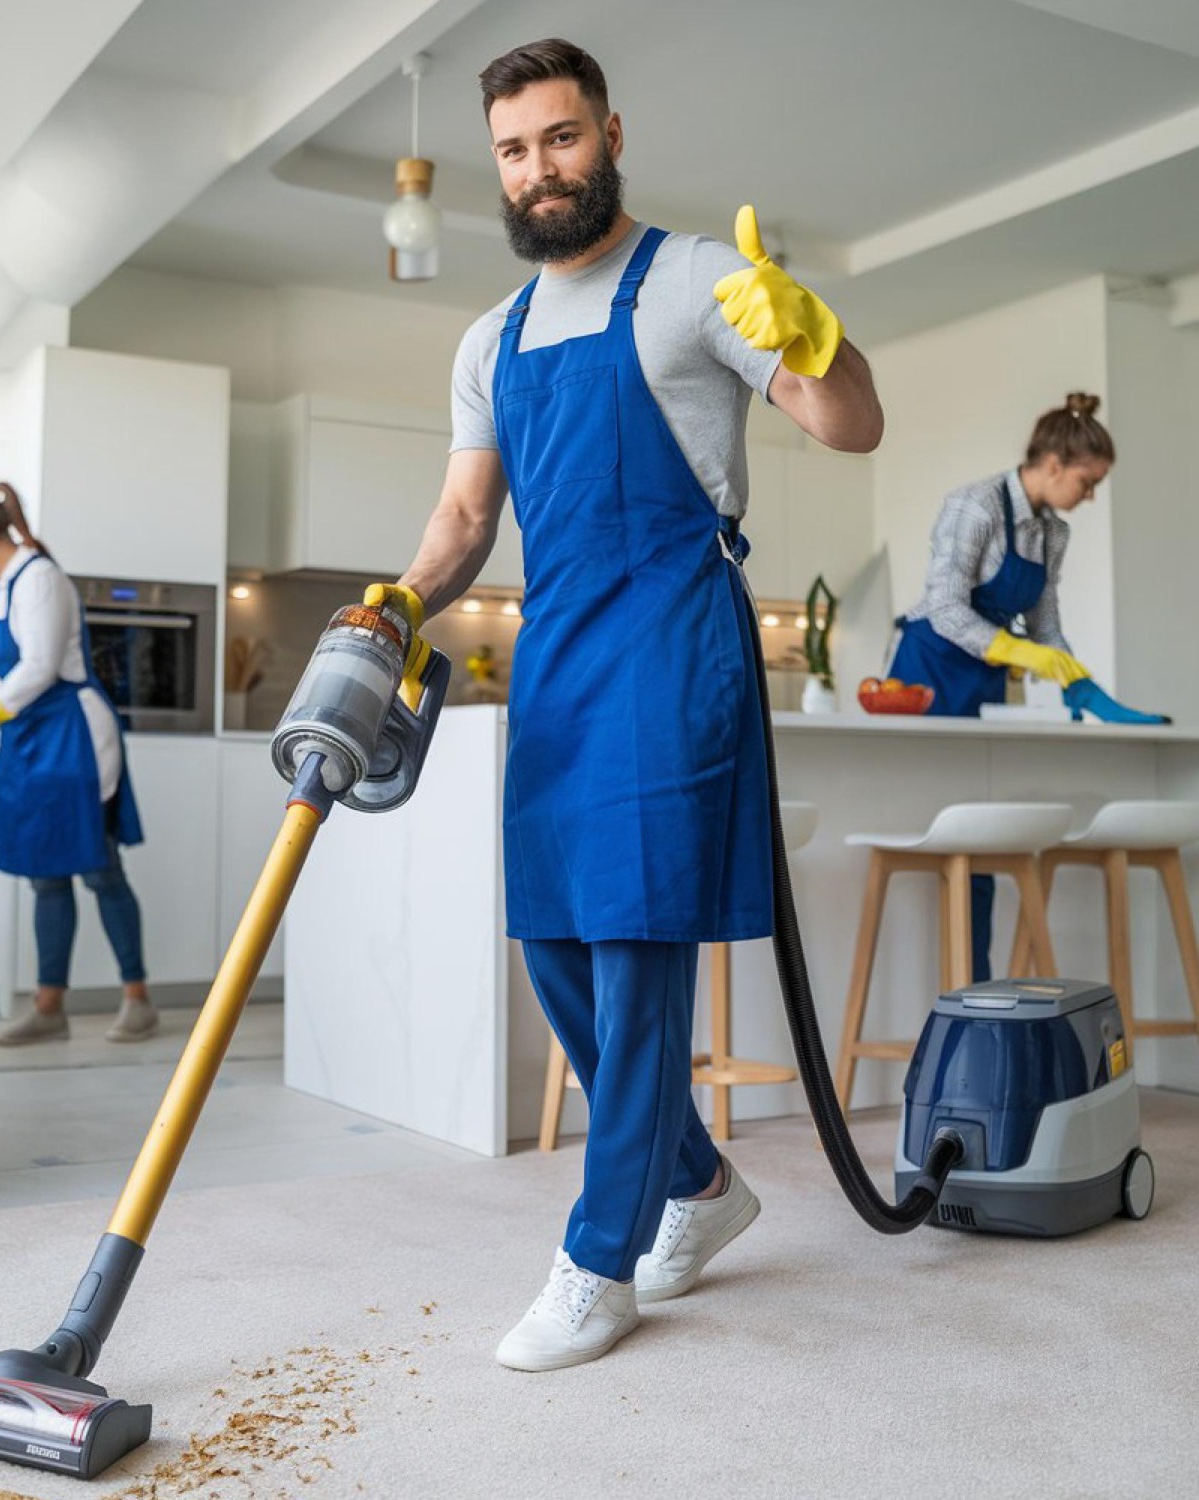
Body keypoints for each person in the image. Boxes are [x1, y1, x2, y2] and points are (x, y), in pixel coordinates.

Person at [360, 38, 883, 1371]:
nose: (542, 170)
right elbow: (466, 517)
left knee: (639, 934)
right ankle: (702, 1185)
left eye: (563, 139)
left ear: (610, 133)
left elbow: (848, 425)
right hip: (562, 645)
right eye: (517, 151)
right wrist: (402, 603)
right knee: (554, 939)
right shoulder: (493, 337)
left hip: (671, 627)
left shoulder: (699, 278)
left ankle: (601, 1258)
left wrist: (817, 338)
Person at [888, 393, 1168, 982]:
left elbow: (1046, 627)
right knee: (933, 826)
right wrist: (1015, 650)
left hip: (984, 680)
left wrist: (1083, 688)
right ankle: (934, 982)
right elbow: (943, 606)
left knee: (980, 835)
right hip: (927, 674)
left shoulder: (1051, 534)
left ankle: (977, 987)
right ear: (1054, 465)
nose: (1089, 497)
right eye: (1088, 483)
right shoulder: (974, 506)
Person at [0, 483, 159, 1046]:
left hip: (73, 733)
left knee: (100, 869)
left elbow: (40, 667)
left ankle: (138, 1000)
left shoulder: (40, 578)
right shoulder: (3, 584)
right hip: (29, 737)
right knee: (45, 875)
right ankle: (50, 1009)